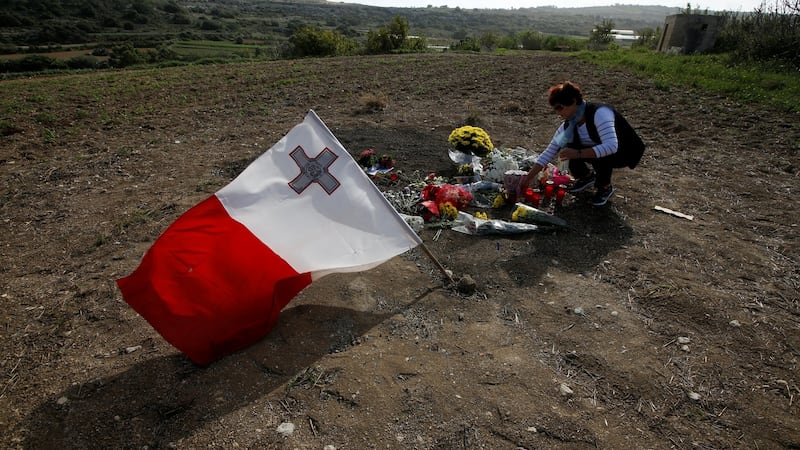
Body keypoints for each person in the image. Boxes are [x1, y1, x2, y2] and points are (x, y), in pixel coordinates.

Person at [518, 81, 645, 206]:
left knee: (599, 152)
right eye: (555, 109)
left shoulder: (600, 113)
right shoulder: (568, 125)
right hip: (597, 150)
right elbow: (550, 151)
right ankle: (586, 177)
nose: (558, 113)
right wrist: (528, 179)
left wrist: (578, 153)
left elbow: (611, 146)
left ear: (573, 101)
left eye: (560, 108)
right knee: (565, 148)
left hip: (625, 151)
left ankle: (605, 187)